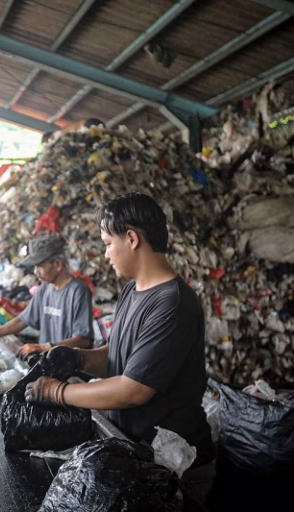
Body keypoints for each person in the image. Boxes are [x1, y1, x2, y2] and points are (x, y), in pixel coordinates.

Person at [24, 193, 216, 504]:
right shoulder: (131, 291)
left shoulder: (173, 302)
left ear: (132, 239)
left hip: (174, 466)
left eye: (107, 243)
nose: (105, 254)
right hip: (137, 451)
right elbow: (117, 360)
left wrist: (58, 393)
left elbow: (133, 389)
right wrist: (77, 358)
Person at [0, 234, 94, 358]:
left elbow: (83, 339)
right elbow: (22, 320)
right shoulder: (44, 290)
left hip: (69, 366)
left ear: (57, 264)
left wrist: (45, 347)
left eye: (40, 266)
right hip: (49, 362)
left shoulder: (78, 292)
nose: (36, 272)